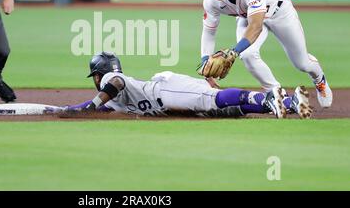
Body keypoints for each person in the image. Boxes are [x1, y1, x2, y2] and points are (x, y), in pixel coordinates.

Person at [198, 0, 332, 108]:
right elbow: (209, 32)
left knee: (302, 63)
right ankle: (278, 95)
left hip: (280, 13)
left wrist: (234, 52)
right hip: (247, 17)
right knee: (248, 55)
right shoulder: (211, 1)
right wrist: (206, 65)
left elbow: (256, 27)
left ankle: (320, 80)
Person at [46, 52, 312, 119]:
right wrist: (70, 108)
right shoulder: (111, 99)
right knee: (223, 111)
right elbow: (93, 108)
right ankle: (285, 103)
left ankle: (266, 98)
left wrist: (91, 104)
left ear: (98, 73)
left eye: (94, 76)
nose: (95, 81)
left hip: (166, 90)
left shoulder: (110, 80)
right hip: (169, 103)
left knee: (211, 99)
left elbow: (113, 84)